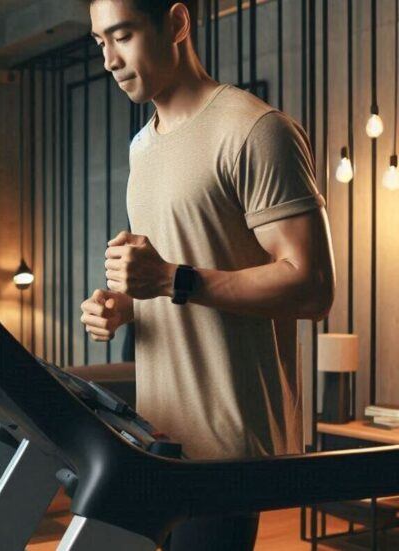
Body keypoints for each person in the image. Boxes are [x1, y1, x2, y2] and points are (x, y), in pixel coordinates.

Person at [80, 1, 336, 549]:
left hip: (227, 449)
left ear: (176, 24)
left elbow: (313, 286)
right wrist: (125, 304)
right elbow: (176, 272)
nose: (109, 58)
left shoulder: (256, 130)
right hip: (156, 439)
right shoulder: (141, 147)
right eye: (100, 41)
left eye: (122, 35)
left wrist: (173, 280)